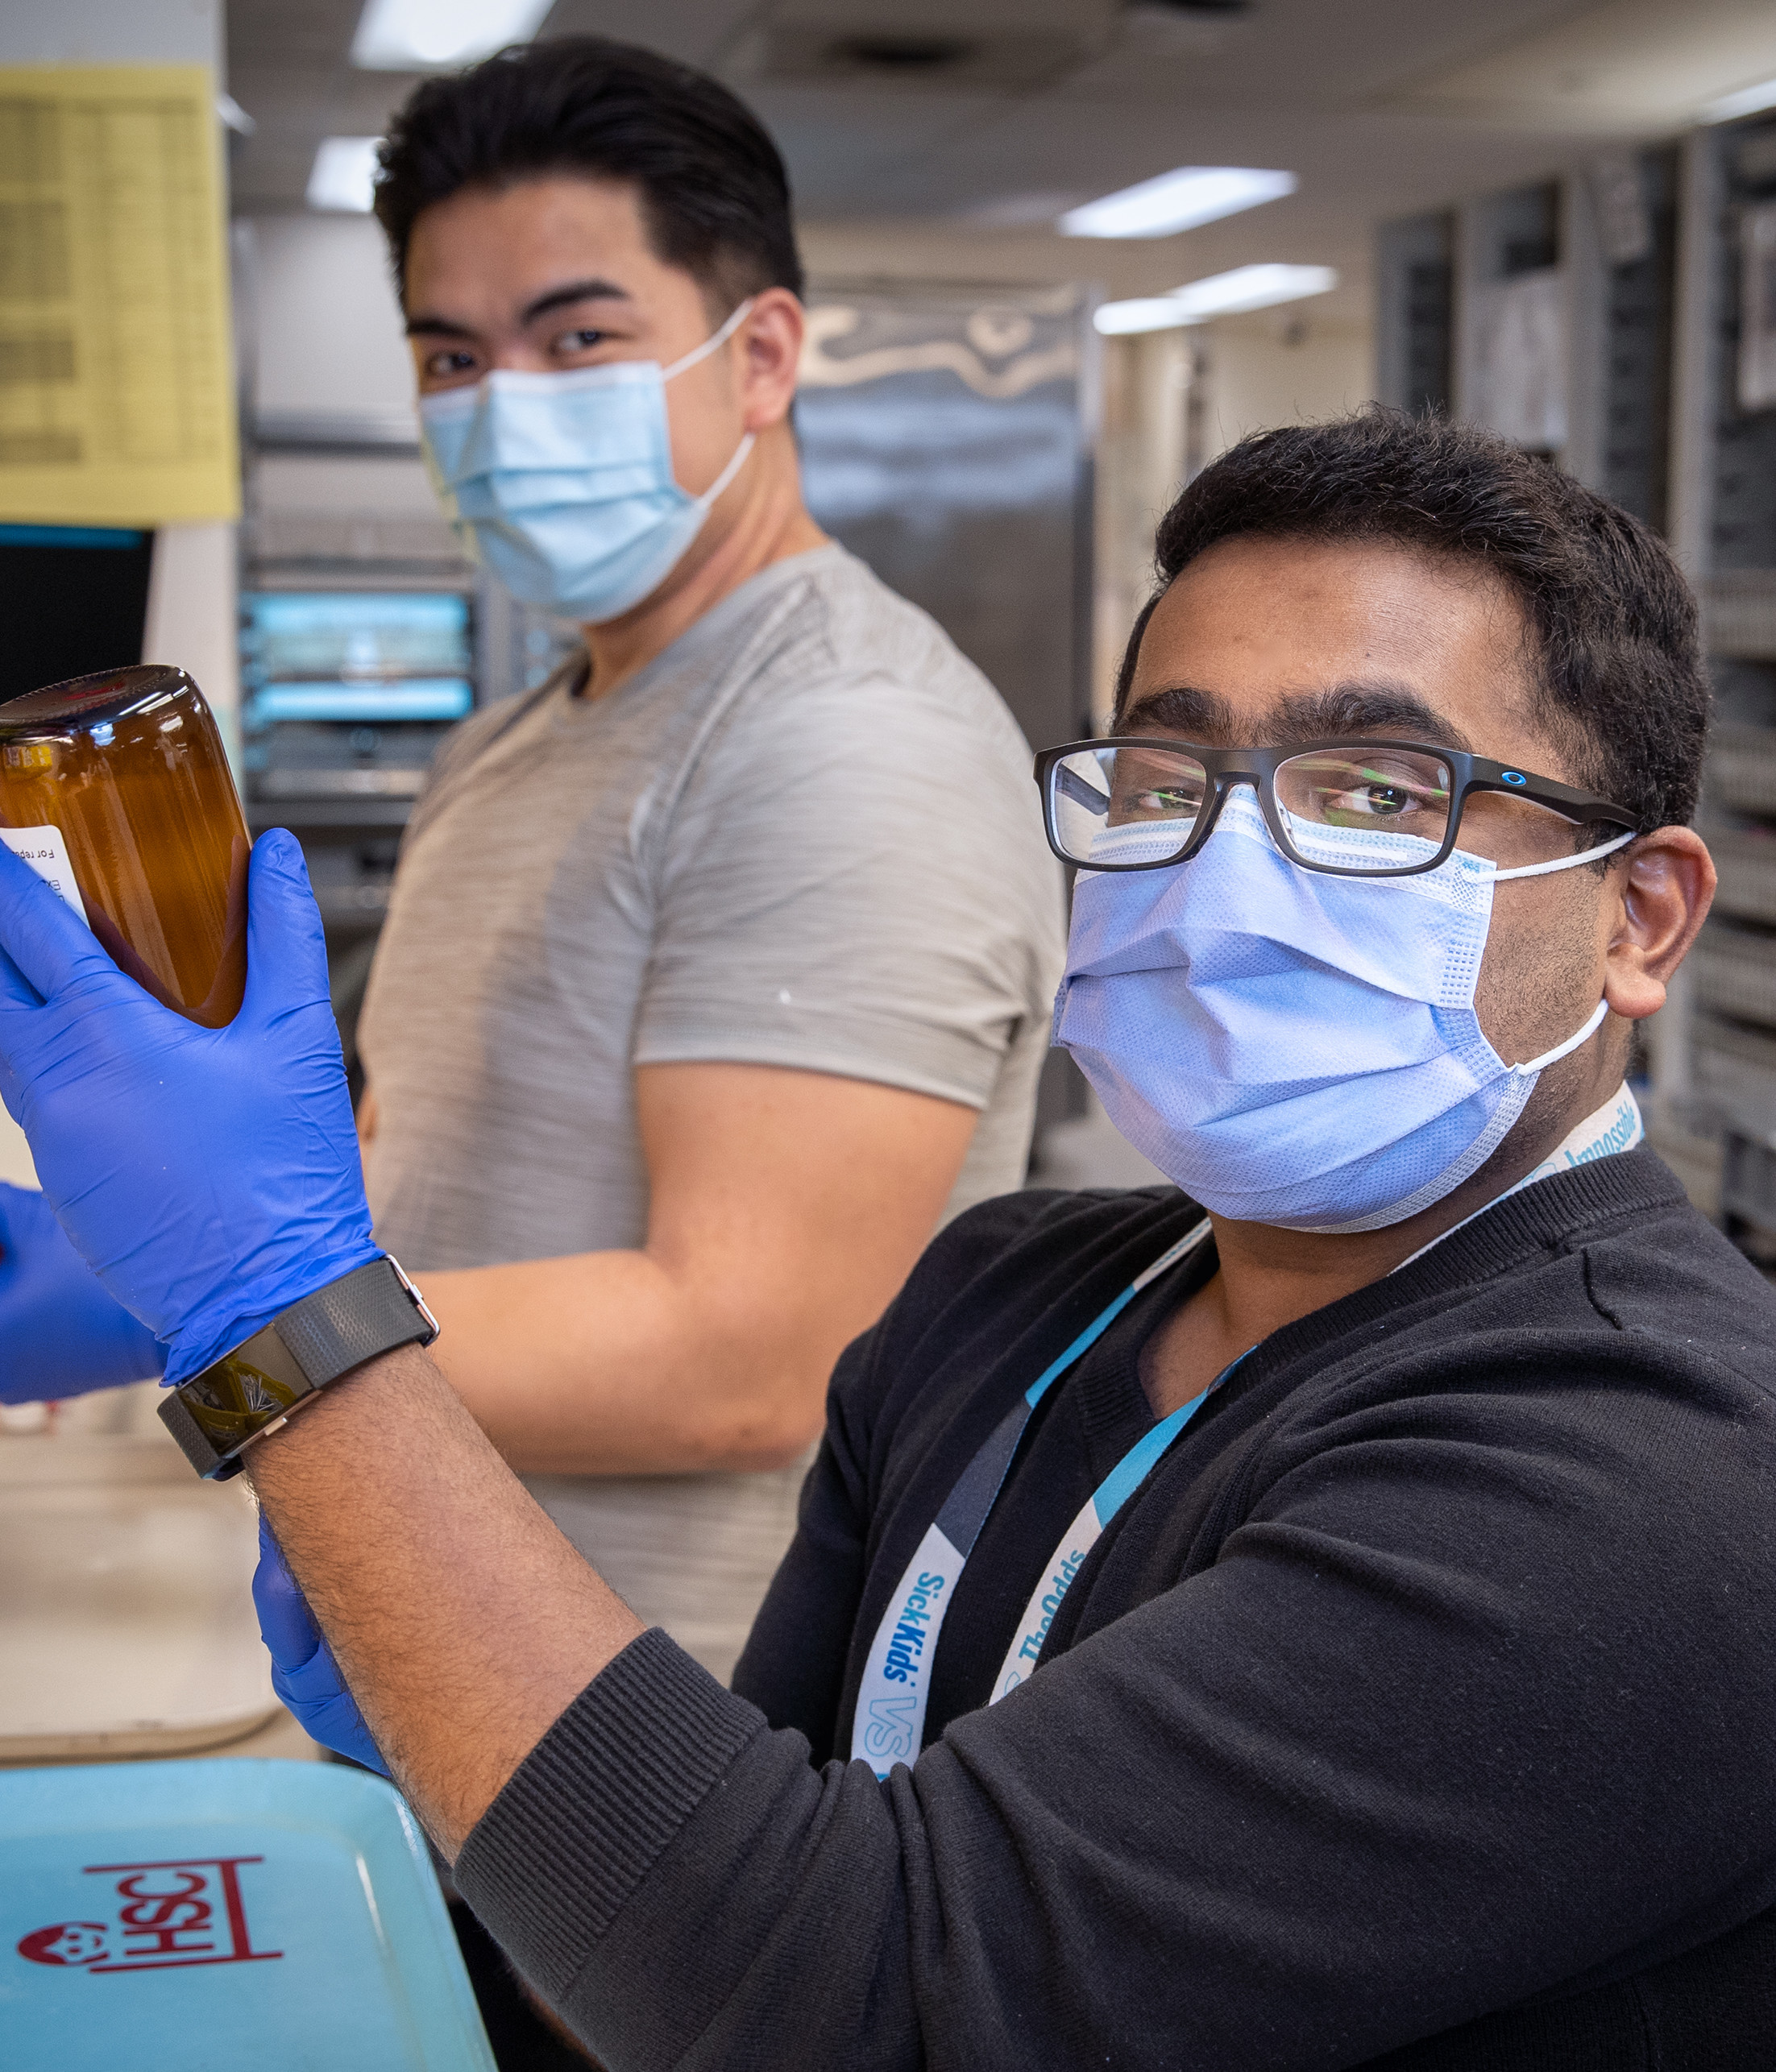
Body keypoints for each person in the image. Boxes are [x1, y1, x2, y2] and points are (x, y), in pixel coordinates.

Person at [6, 410, 1775, 2071]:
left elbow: (846, 2000)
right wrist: (471, 1756)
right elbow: (745, 1897)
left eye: (1380, 793)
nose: (1229, 872)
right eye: (1168, 774)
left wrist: (283, 1304)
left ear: (1637, 915)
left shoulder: (1655, 1473)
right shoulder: (1011, 1293)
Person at [0, 38, 1064, 1684]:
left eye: (576, 336)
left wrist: (206, 1299)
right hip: (438, 1651)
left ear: (760, 353)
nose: (500, 405)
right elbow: (423, 1171)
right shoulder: (513, 739)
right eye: (450, 355)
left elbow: (742, 1357)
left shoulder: (848, 738)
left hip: (669, 1754)